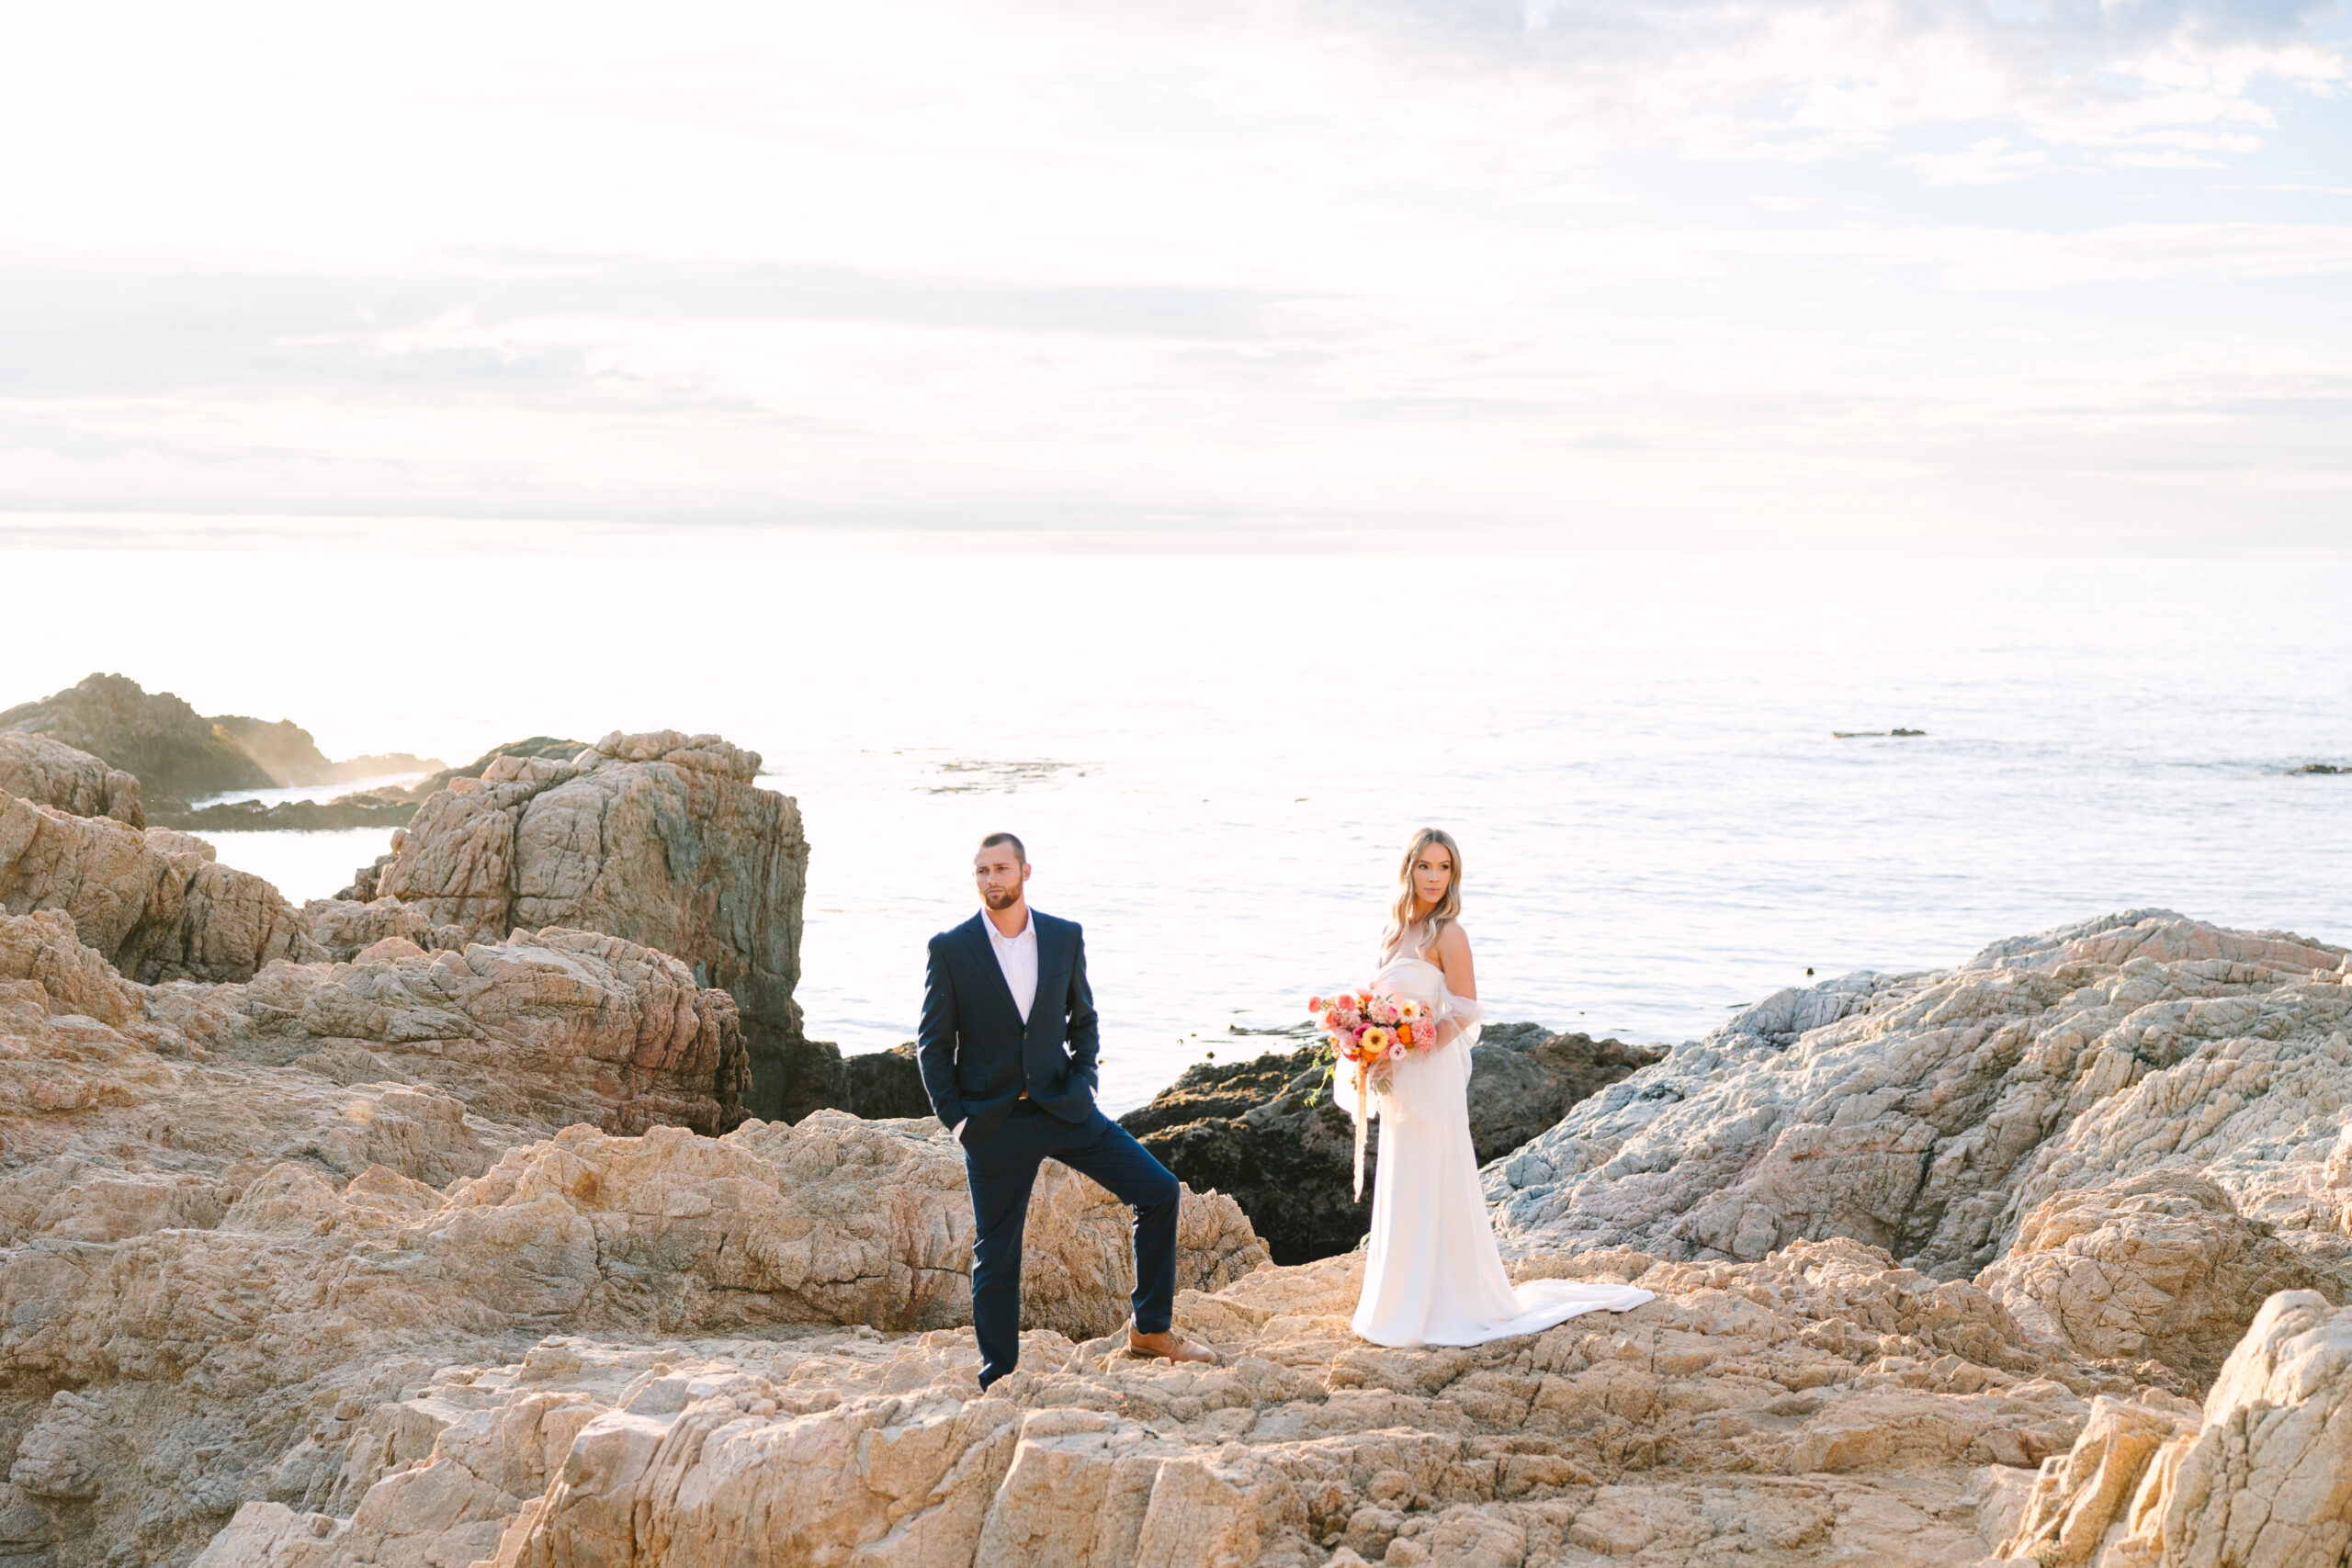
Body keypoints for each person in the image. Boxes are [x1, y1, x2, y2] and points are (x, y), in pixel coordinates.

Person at [917, 831, 1217, 1389]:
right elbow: (933, 1046)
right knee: (997, 1253)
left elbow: (1084, 1021)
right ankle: (999, 1375)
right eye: (981, 871)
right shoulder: (952, 949)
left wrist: (1085, 1084)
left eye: (1001, 869)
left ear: (1026, 872)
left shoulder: (1063, 937)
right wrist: (959, 1121)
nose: (991, 880)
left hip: (1065, 1109)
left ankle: (1151, 1329)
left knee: (1159, 1191)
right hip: (994, 1123)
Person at [1342, 828, 1654, 1346]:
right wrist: (1372, 1050)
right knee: (1402, 1177)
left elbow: (1463, 1011)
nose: (1435, 878)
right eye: (1426, 866)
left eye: (1445, 868)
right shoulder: (1391, 930)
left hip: (1430, 1072)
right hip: (1398, 1074)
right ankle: (1399, 1300)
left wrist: (1412, 1045)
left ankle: (1444, 1303)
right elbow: (1381, 1007)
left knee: (1433, 1175)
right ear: (1408, 869)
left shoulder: (1449, 934)